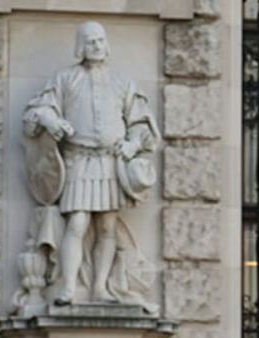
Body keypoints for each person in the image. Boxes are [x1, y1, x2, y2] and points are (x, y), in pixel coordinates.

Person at [23, 22, 160, 306]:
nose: (97, 46)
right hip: (78, 160)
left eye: (100, 40)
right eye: (90, 42)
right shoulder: (65, 78)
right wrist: (52, 120)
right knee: (78, 222)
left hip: (111, 161)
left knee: (108, 226)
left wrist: (133, 144)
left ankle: (99, 288)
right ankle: (70, 287)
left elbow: (141, 123)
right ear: (80, 47)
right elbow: (36, 112)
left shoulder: (123, 82)